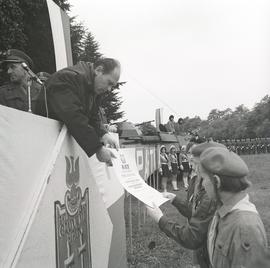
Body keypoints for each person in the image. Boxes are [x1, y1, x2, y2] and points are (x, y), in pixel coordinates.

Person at [147, 141, 225, 268]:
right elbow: (194, 211)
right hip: (204, 249)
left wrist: (160, 219)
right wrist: (175, 200)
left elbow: (193, 237)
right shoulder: (197, 180)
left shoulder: (209, 196)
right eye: (190, 154)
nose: (191, 160)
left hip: (209, 250)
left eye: (195, 161)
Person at [36, 58, 121, 165]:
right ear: (98, 70)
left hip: (60, 146)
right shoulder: (67, 78)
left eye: (112, 86)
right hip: (45, 147)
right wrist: (97, 148)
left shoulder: (93, 87)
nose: (109, 89)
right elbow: (74, 117)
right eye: (109, 83)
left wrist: (103, 134)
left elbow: (92, 116)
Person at [200, 147, 268, 268]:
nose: (202, 184)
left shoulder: (244, 228)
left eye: (204, 178)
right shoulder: (224, 210)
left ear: (217, 181)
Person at [0, 49, 41, 113]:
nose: (9, 71)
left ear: (25, 68)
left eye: (13, 67)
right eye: (8, 68)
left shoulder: (42, 91)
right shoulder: (3, 93)